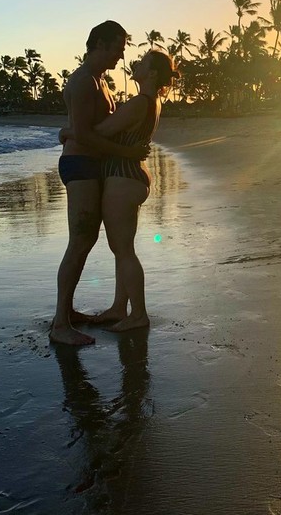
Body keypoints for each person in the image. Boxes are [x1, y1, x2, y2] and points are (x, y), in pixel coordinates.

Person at [59, 49, 179, 334]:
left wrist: (68, 133)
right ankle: (118, 308)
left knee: (123, 250)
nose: (135, 64)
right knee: (122, 248)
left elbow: (101, 130)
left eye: (142, 62)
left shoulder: (140, 102)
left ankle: (138, 314)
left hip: (124, 177)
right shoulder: (152, 101)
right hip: (132, 176)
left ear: (151, 74)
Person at [50, 21, 149, 346]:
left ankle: (67, 313)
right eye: (119, 48)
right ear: (101, 44)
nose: (122, 56)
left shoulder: (100, 81)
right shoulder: (81, 82)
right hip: (79, 166)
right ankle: (60, 324)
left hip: (91, 166)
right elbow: (84, 134)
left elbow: (96, 127)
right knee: (80, 240)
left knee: (86, 239)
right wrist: (127, 152)